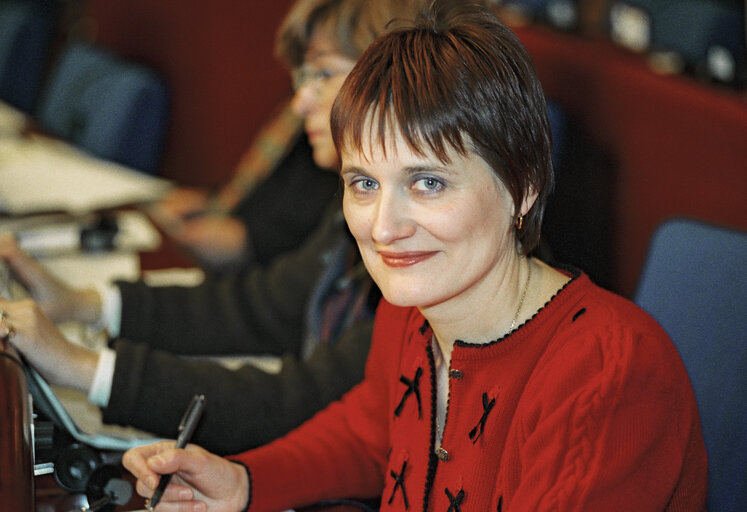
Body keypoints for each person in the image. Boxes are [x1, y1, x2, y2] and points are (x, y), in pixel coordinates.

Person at [120, 3, 708, 511]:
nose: (384, 228)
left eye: (427, 183)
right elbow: (371, 432)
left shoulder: (608, 378)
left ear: (523, 187)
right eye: (365, 184)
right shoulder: (416, 308)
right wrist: (245, 481)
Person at [0, 0, 426, 455]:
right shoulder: (348, 211)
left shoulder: (408, 247)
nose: (300, 101)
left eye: (321, 75)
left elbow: (302, 403)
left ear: (384, 82)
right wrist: (86, 305)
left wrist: (84, 368)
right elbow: (258, 307)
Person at [147, 99, 339, 271]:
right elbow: (264, 179)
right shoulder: (302, 106)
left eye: (324, 74)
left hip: (261, 264)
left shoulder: (334, 165)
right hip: (237, 227)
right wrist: (213, 199)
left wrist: (250, 240)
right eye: (303, 75)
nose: (299, 102)